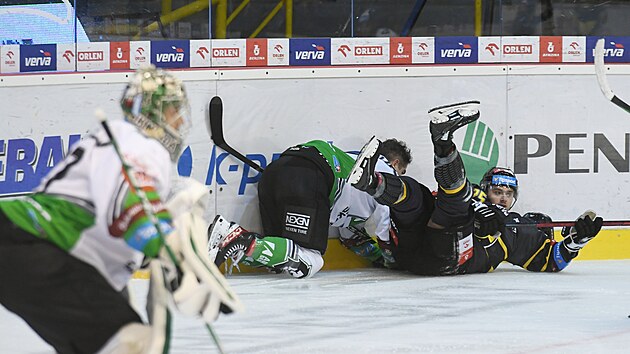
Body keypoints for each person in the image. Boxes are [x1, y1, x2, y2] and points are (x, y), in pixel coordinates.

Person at [0, 66, 240, 354]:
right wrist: (170, 251)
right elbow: (131, 206)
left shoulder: (115, 138)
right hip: (38, 244)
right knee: (135, 345)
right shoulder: (140, 144)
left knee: (116, 339)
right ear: (151, 112)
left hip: (30, 247)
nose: (179, 121)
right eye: (172, 111)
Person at [347, 100, 604, 276]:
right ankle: (371, 182)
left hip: (443, 258)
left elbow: (550, 260)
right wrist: (479, 209)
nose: (502, 198)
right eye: (497, 191)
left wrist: (576, 241)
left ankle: (443, 140)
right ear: (486, 189)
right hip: (410, 246)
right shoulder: (475, 198)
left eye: (508, 194)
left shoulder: (512, 229)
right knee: (417, 194)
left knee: (456, 202)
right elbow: (441, 201)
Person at [208, 139, 410, 278]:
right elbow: (385, 230)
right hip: (309, 176)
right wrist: (393, 259)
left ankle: (224, 244)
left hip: (276, 172)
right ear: (396, 163)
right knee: (311, 260)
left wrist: (376, 257)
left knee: (278, 258)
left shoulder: (354, 162)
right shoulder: (386, 174)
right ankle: (236, 237)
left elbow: (349, 237)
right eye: (402, 171)